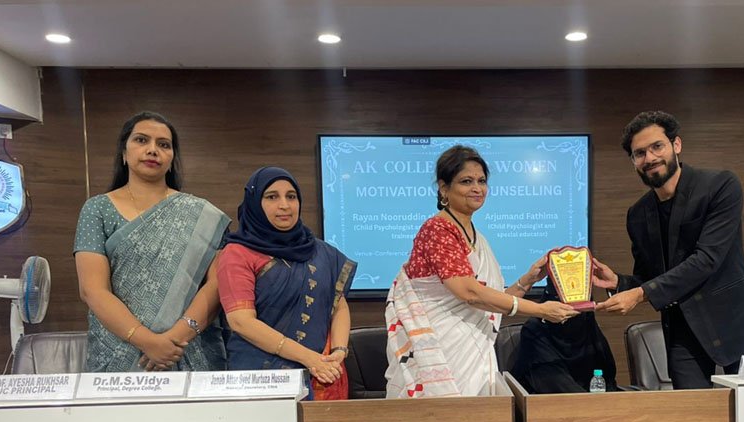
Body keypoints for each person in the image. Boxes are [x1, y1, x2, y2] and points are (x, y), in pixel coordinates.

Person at [592, 110, 744, 388]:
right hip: (682, 331)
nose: (650, 158)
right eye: (639, 153)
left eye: (657, 146)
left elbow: (706, 260)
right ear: (633, 162)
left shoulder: (720, 186)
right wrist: (619, 282)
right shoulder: (637, 214)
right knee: (691, 411)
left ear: (676, 145)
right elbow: (650, 277)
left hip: (737, 323)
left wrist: (639, 294)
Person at [385, 145, 579, 398]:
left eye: (482, 181)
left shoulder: (475, 234)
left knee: (475, 417)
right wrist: (541, 310)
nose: (477, 188)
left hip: (469, 346)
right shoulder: (437, 229)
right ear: (444, 188)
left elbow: (489, 303)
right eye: (466, 181)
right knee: (441, 416)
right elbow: (470, 294)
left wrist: (527, 280)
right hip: (440, 346)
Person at [74, 111, 229, 372]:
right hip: (118, 355)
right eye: (141, 140)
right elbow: (92, 290)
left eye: (164, 144)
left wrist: (173, 341)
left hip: (186, 351)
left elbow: (216, 285)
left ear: (172, 159)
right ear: (124, 153)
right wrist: (148, 342)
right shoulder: (97, 209)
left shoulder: (202, 215)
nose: (152, 150)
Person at [217, 167, 357, 399]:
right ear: (254, 203)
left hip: (323, 375)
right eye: (272, 197)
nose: (284, 205)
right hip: (261, 379)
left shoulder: (322, 252)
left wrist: (339, 351)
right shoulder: (237, 253)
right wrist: (308, 358)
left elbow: (338, 306)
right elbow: (241, 321)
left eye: (291, 196)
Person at [512, 281, 619, 393]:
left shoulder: (589, 329)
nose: (575, 314)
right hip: (550, 402)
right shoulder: (534, 331)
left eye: (582, 308)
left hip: (596, 401)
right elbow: (557, 385)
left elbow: (608, 380)